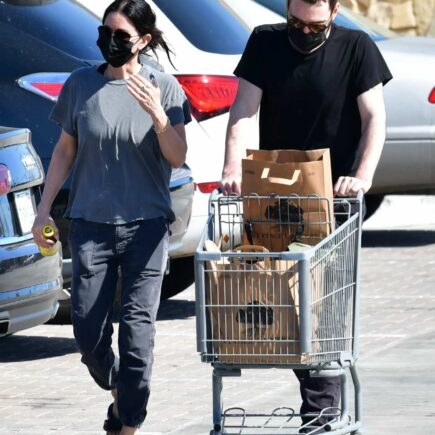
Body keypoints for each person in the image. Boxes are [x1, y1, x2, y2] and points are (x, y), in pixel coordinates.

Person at [220, 0, 392, 432]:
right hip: (278, 194)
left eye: (313, 25)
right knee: (287, 298)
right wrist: (230, 168)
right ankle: (318, 403)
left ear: (334, 12)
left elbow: (374, 118)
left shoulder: (357, 48)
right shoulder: (265, 43)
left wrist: (361, 177)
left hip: (333, 196)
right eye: (294, 22)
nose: (302, 31)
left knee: (322, 305)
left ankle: (320, 412)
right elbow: (243, 111)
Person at [31, 1, 190, 433]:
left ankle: (127, 422)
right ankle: (120, 390)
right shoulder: (81, 84)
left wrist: (159, 115)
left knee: (138, 339)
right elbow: (66, 149)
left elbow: (177, 157)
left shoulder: (165, 87)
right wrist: (43, 209)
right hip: (89, 229)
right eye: (106, 33)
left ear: (144, 40)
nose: (111, 42)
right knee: (87, 334)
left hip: (146, 229)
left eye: (121, 36)